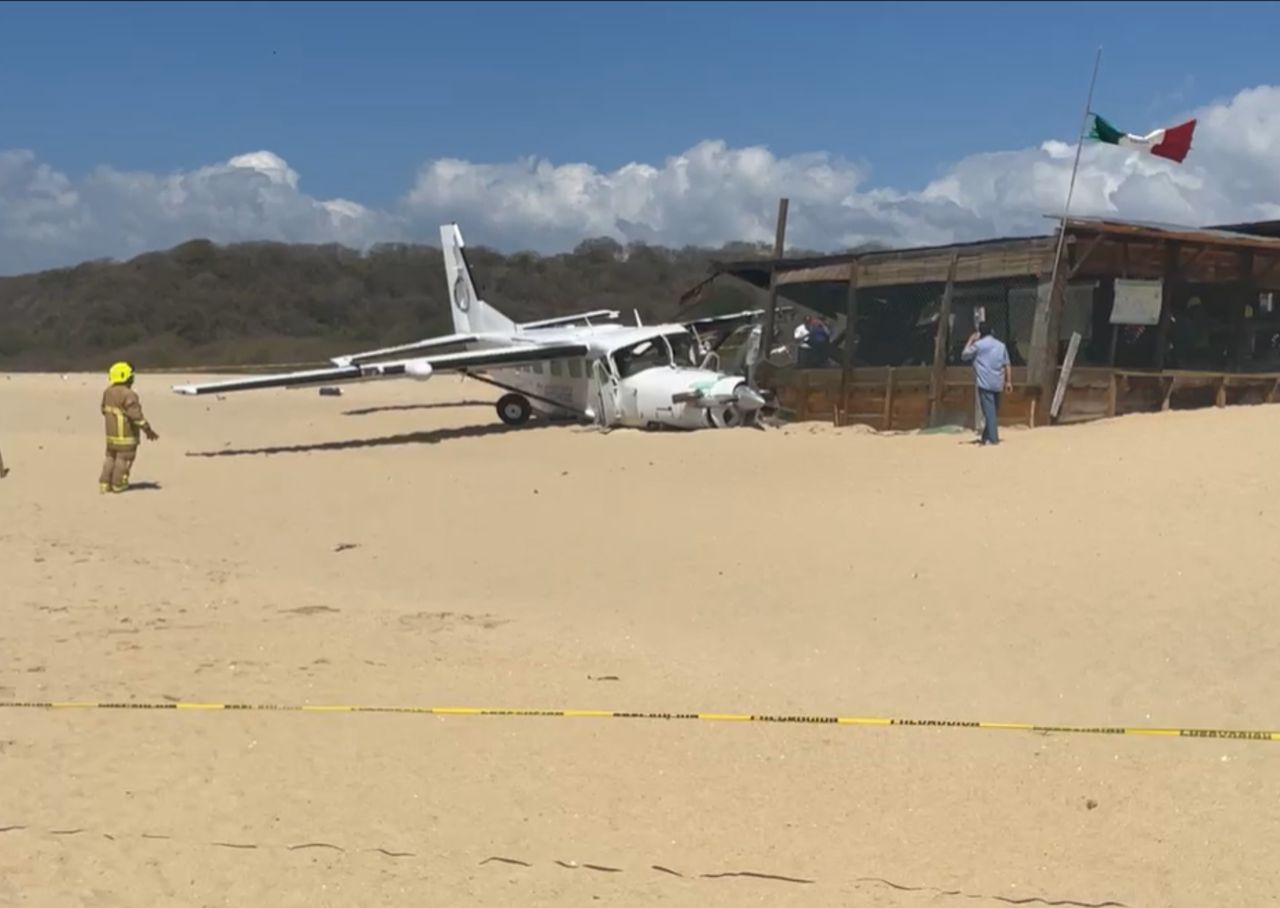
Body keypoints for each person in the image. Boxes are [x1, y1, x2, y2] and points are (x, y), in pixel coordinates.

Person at [100, 361, 158, 493]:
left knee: (110, 458)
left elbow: (103, 409)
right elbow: (136, 416)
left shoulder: (107, 392)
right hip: (126, 435)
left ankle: (104, 483)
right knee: (124, 459)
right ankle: (118, 484)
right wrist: (148, 430)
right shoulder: (129, 394)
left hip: (110, 435)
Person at [961, 322, 1012, 446]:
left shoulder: (978, 346)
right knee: (993, 410)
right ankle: (985, 437)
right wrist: (1008, 381)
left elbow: (964, 355)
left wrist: (970, 340)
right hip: (998, 381)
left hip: (985, 382)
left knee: (990, 412)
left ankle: (993, 439)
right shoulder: (1001, 346)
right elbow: (1007, 364)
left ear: (980, 334)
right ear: (992, 332)